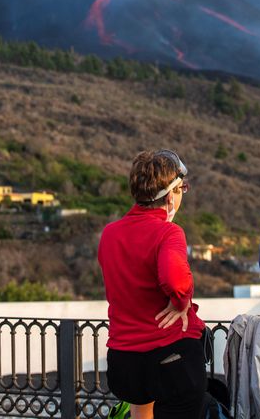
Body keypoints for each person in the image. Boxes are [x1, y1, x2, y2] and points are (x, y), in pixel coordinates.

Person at [98, 150, 206, 418]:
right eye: (182, 189)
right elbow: (175, 279)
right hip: (170, 358)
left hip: (124, 360)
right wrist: (181, 303)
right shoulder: (168, 233)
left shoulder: (110, 234)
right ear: (170, 196)